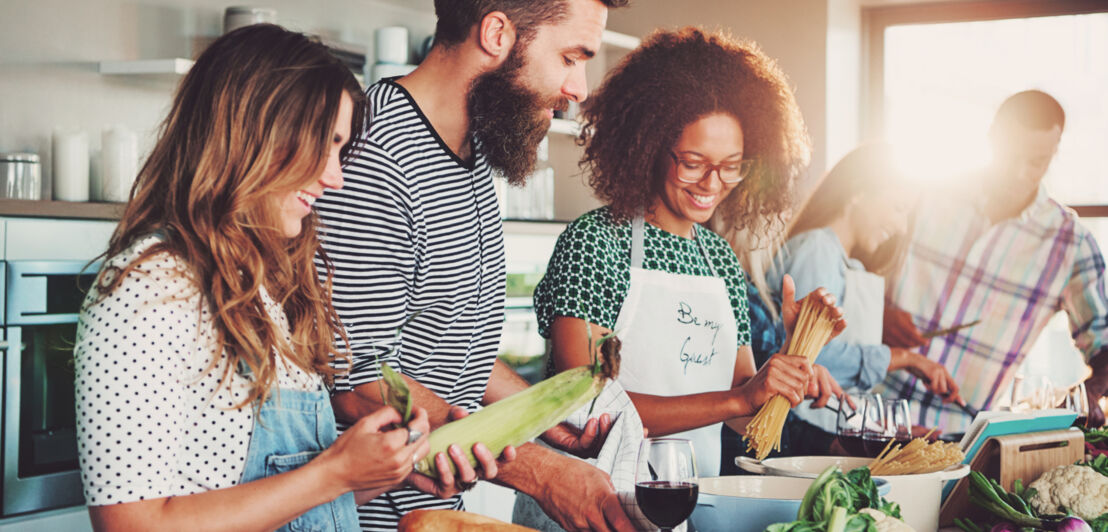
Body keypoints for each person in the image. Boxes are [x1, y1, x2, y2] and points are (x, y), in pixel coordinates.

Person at [73, 25, 485, 531]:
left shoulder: (268, 288)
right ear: (256, 134)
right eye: (325, 145)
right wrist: (333, 474)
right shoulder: (149, 286)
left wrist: (383, 470)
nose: (335, 176)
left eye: (341, 150)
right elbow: (130, 525)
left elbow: (288, 509)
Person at [313, 1, 636, 531]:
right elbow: (353, 378)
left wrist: (540, 414)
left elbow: (449, 343)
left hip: (435, 516)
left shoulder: (472, 154)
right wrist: (540, 472)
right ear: (496, 33)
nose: (578, 88)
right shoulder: (376, 154)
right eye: (570, 57)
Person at [533, 27, 846, 482]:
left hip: (685, 502)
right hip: (583, 504)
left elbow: (742, 415)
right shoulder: (595, 244)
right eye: (694, 162)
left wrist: (788, 364)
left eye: (731, 165)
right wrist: (740, 399)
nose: (712, 184)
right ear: (648, 146)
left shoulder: (719, 259)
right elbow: (584, 406)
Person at [882, 90, 1108, 431]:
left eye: (1036, 162)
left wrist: (1088, 394)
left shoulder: (1070, 244)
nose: (1019, 173)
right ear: (991, 138)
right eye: (1010, 155)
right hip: (865, 412)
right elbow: (855, 268)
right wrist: (876, 312)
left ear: (1054, 154)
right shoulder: (926, 194)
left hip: (959, 439)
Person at [763, 142, 962, 452]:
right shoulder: (817, 249)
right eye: (898, 208)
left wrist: (884, 428)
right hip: (798, 441)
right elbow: (810, 360)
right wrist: (906, 358)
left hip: (826, 436)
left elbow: (836, 383)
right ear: (858, 192)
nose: (901, 226)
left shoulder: (842, 260)